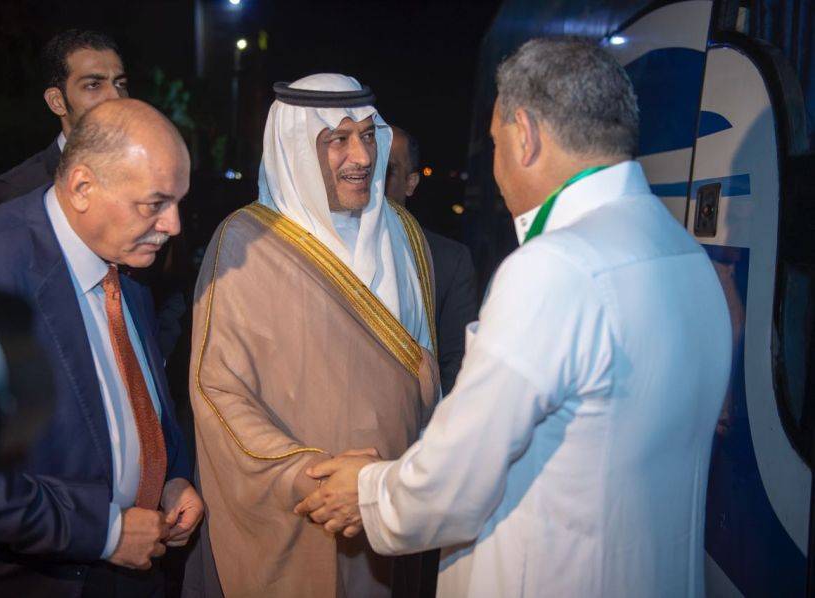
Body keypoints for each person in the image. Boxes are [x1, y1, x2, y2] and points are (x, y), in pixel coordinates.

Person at [295, 38, 733, 597]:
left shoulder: (555, 268)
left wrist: (365, 488)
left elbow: (454, 483)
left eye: (496, 143)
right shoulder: (686, 255)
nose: (496, 166)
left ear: (525, 135)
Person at [0, 98, 203, 598]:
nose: (173, 225)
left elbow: (139, 393)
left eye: (178, 202)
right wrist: (104, 532)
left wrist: (172, 475)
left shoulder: (125, 252)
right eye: (154, 203)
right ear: (83, 187)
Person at [183, 74, 440, 598]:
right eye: (337, 140)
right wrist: (309, 477)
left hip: (393, 507)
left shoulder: (404, 235)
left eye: (367, 135)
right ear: (297, 148)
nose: (361, 156)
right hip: (302, 508)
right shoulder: (246, 243)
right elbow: (219, 393)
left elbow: (424, 377)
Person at [0, 29, 128, 214]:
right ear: (57, 102)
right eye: (93, 85)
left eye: (120, 84)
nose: (116, 96)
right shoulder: (15, 193)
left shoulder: (149, 171)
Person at [386, 125, 477, 394]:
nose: (372, 178)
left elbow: (456, 367)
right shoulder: (324, 246)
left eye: (388, 170)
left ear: (411, 183)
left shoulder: (448, 261)